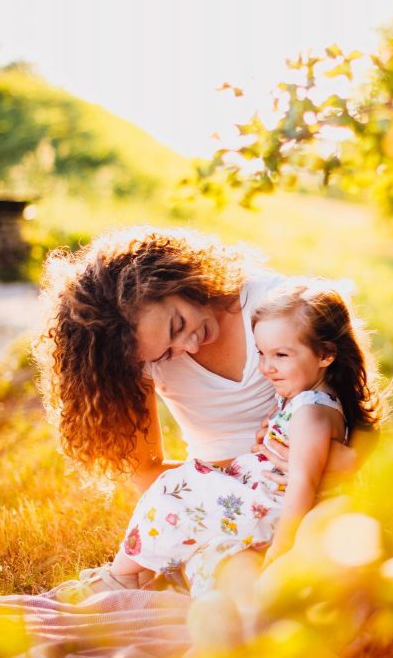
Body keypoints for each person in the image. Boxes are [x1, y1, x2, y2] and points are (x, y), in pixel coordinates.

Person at [33, 226, 366, 587]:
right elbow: (148, 471)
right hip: (222, 512)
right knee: (230, 583)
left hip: (310, 490)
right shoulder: (141, 357)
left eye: (178, 324)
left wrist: (322, 462)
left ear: (175, 280)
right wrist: (217, 488)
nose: (188, 346)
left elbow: (358, 412)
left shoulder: (276, 309)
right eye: (166, 351)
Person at [107, 282, 381, 595]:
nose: (266, 367)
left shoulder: (310, 411)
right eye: (262, 354)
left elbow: (302, 484)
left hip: (271, 507)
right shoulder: (306, 399)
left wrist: (281, 550)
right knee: (202, 539)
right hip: (265, 501)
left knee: (174, 490)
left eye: (280, 355)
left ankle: (120, 576)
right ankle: (212, 588)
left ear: (326, 354)